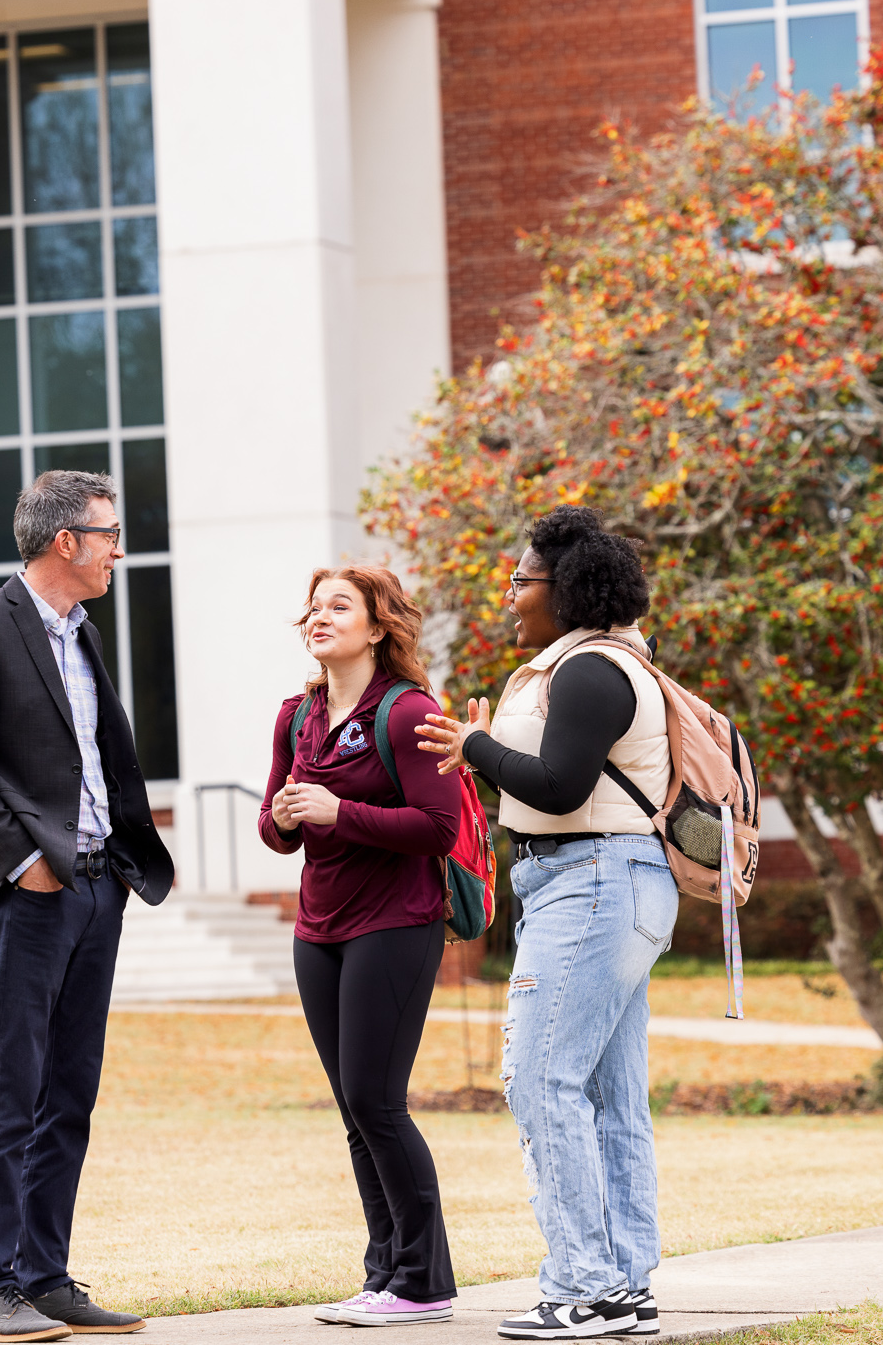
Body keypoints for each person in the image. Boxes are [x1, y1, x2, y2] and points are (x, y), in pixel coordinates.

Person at [0, 470, 175, 1343]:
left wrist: (108, 869)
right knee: (13, 1089)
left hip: (100, 887)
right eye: (110, 532)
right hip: (33, 893)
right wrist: (27, 858)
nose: (120, 548)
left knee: (69, 1090)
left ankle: (43, 1275)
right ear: (65, 541)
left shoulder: (86, 634)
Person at [416, 506, 669, 1341]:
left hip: (593, 883)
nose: (511, 593)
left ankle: (583, 1286)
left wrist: (479, 744)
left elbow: (559, 786)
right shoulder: (602, 663)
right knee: (606, 1092)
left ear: (566, 589)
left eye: (521, 579)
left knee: (540, 1079)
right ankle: (622, 1285)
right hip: (609, 884)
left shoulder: (593, 671)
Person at [257, 565, 461, 1328]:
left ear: (377, 627)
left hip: (395, 923)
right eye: (312, 606)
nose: (319, 616)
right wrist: (283, 818)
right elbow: (277, 830)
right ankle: (385, 1276)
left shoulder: (408, 714)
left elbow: (438, 827)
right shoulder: (296, 716)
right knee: (355, 1109)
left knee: (379, 1102)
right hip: (320, 929)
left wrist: (339, 812)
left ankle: (422, 1282)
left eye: (339, 605)